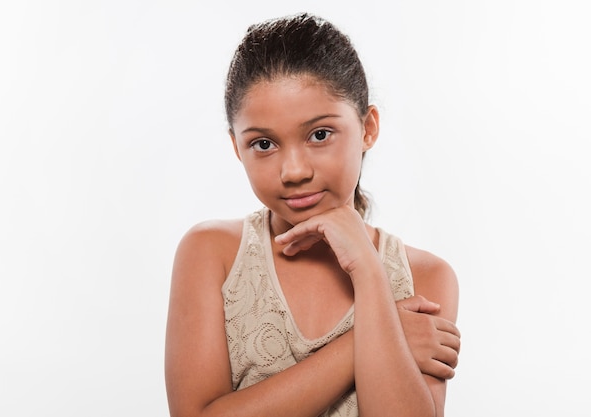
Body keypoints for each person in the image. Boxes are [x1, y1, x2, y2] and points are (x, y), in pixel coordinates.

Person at [165, 13, 460, 417]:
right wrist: (363, 342)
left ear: (368, 128)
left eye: (319, 134)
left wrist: (370, 274)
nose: (294, 171)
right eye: (264, 143)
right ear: (237, 148)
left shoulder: (424, 278)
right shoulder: (212, 253)